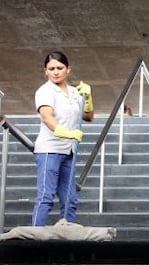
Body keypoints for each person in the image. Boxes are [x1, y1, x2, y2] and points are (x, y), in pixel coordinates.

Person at [32, 51, 94, 226]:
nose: (56, 72)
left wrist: (88, 98)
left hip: (68, 152)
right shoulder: (44, 91)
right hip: (49, 150)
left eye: (60, 68)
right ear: (45, 71)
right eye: (51, 68)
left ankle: (66, 239)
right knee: (46, 197)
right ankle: (35, 243)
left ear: (68, 70)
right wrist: (67, 133)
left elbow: (88, 116)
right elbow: (46, 117)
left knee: (70, 200)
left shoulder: (75, 92)